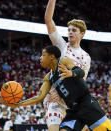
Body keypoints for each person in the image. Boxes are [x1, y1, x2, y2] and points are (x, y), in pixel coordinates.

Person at [0, 45, 111, 131]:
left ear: (52, 57)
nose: (40, 58)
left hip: (87, 104)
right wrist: (17, 104)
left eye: (43, 55)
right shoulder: (49, 77)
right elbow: (39, 97)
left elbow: (81, 72)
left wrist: (71, 73)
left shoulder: (63, 61)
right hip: (73, 111)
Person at [44, 0, 91, 130]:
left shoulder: (86, 57)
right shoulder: (61, 46)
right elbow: (48, 20)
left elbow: (81, 81)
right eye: (69, 30)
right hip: (55, 99)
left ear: (82, 33)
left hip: (71, 101)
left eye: (74, 30)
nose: (70, 32)